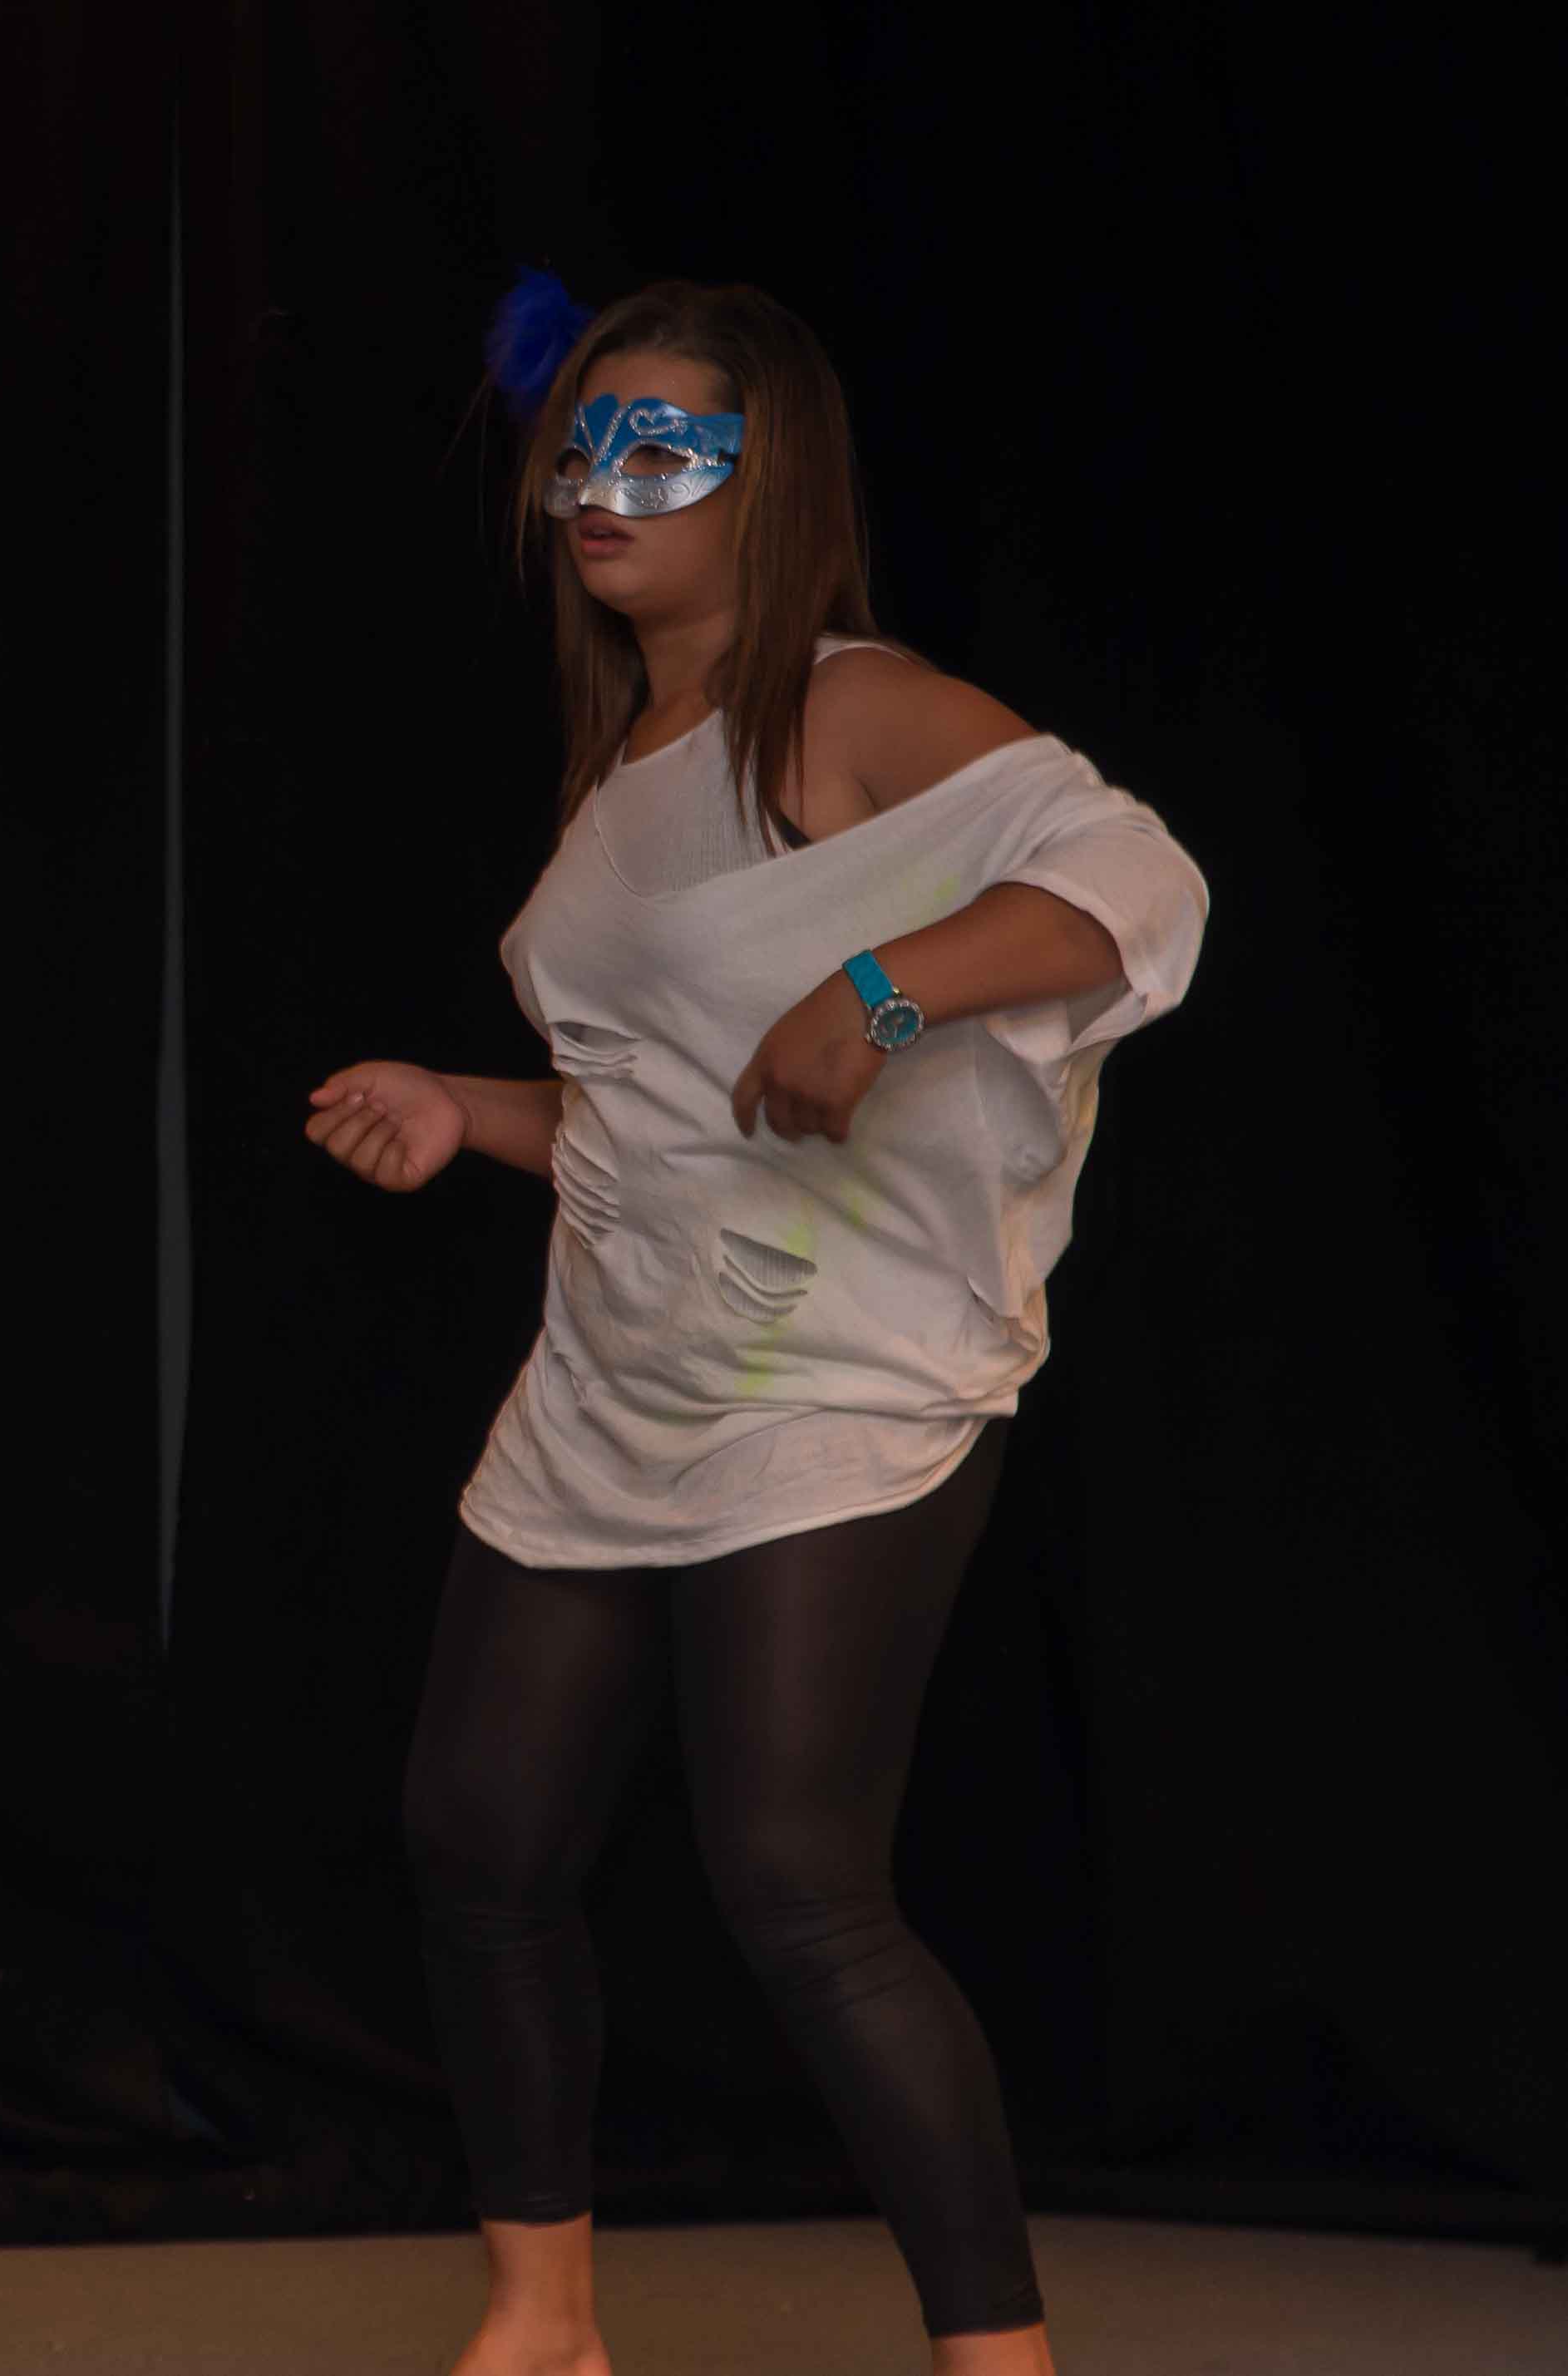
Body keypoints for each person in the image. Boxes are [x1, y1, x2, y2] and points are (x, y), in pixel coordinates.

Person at [309, 279, 1207, 2376]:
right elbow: (658, 1117)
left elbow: (1136, 883)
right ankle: (543, 2320)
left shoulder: (850, 706)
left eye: (661, 449)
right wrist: (464, 1110)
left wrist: (884, 986)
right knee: (479, 1833)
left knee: (796, 1875)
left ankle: (1000, 2367)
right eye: (579, 445)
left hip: (831, 1383)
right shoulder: (630, 756)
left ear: (767, 477)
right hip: (614, 1375)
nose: (597, 487)